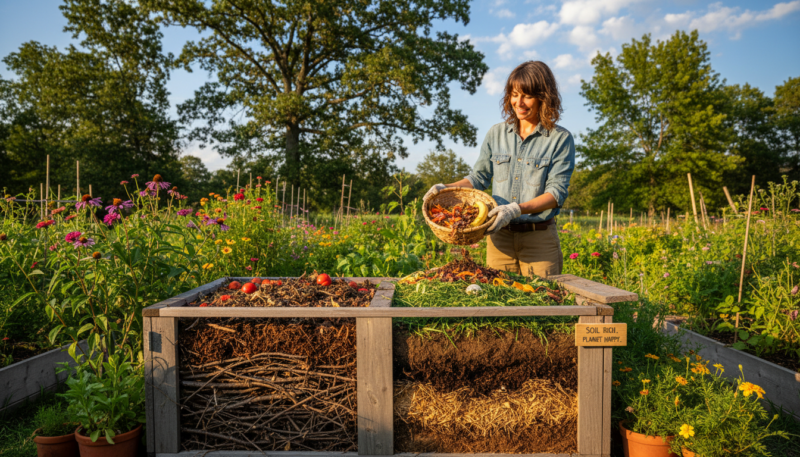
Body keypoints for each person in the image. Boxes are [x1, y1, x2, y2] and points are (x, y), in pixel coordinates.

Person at [424, 61, 575, 278]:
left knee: (543, 303)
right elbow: (479, 177)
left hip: (539, 240)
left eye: (527, 96)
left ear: (544, 97)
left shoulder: (560, 139)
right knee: (500, 302)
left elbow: (556, 193)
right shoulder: (496, 134)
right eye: (514, 94)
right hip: (499, 239)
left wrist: (516, 209)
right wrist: (443, 188)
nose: (519, 102)